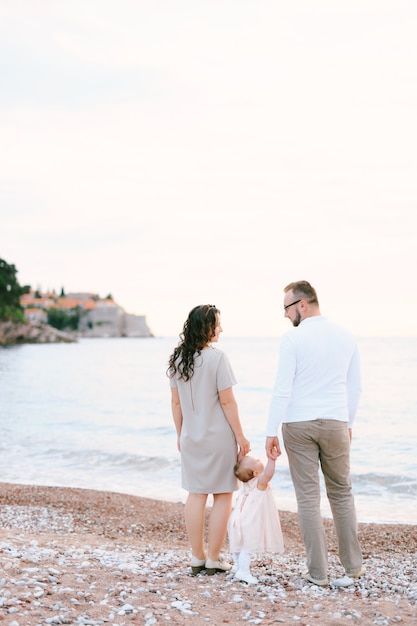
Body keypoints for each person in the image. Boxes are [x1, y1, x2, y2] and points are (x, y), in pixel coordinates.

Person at [265, 280, 365, 587]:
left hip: (298, 424)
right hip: (335, 421)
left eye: (286, 307)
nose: (284, 314)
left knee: (308, 499)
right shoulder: (346, 335)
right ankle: (353, 568)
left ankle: (318, 574)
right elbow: (355, 387)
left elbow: (283, 388)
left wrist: (270, 432)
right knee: (342, 492)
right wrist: (347, 423)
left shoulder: (292, 340)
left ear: (302, 304)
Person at [167, 304, 250, 576]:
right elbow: (227, 401)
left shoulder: (178, 359)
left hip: (191, 437)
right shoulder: (218, 358)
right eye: (217, 324)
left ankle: (197, 556)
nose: (221, 329)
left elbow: (176, 404)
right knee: (223, 494)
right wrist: (241, 437)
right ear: (207, 327)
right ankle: (214, 557)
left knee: (195, 493)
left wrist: (181, 435)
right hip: (218, 438)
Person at [227, 455, 284, 584]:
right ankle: (243, 571)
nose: (259, 459)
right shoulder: (260, 482)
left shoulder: (246, 482)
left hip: (237, 518)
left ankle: (236, 565)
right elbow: (269, 474)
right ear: (255, 473)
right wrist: (272, 460)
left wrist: (242, 456)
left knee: (238, 545)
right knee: (247, 547)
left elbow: (242, 467)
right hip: (249, 521)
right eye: (256, 460)